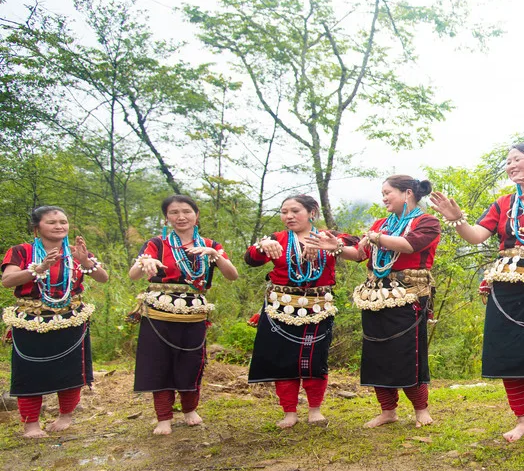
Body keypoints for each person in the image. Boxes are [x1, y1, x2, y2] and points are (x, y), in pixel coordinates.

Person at [429, 143, 524, 442]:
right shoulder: (503, 203)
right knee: (506, 352)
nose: (511, 165)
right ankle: (523, 419)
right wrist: (457, 219)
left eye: (518, 159)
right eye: (508, 161)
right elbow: (476, 237)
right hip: (505, 284)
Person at [308, 175, 440, 428]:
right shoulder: (381, 223)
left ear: (407, 193)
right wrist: (333, 247)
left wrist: (374, 237)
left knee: (407, 353)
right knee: (376, 353)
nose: (384, 198)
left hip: (408, 295)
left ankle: (421, 409)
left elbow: (409, 245)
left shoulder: (427, 222)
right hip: (375, 294)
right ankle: (387, 410)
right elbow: (359, 253)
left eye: (388, 192)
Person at [129, 195, 239, 436]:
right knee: (159, 362)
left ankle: (190, 409)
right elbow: (134, 275)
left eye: (186, 211)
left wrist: (215, 254)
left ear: (196, 215)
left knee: (192, 361)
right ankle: (163, 417)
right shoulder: (156, 244)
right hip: (159, 311)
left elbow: (232, 275)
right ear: (166, 217)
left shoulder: (210, 244)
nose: (181, 217)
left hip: (194, 311)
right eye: (174, 212)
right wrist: (145, 262)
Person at [2, 206, 109, 437]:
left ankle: (65, 416)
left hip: (71, 318)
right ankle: (31, 425)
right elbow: (7, 280)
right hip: (32, 320)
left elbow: (103, 277)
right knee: (28, 372)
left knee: (70, 370)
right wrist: (39, 269)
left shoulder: (75, 252)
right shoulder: (22, 252)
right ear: (36, 227)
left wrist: (87, 262)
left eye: (63, 221)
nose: (59, 226)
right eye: (52, 222)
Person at [245, 194, 339, 429]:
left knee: (314, 359)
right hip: (280, 308)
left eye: (295, 211)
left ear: (311, 213)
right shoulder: (276, 240)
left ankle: (315, 409)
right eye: (284, 211)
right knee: (282, 359)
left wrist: (331, 245)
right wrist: (261, 246)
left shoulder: (327, 237)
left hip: (316, 308)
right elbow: (251, 259)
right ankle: (289, 411)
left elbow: (352, 246)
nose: (288, 216)